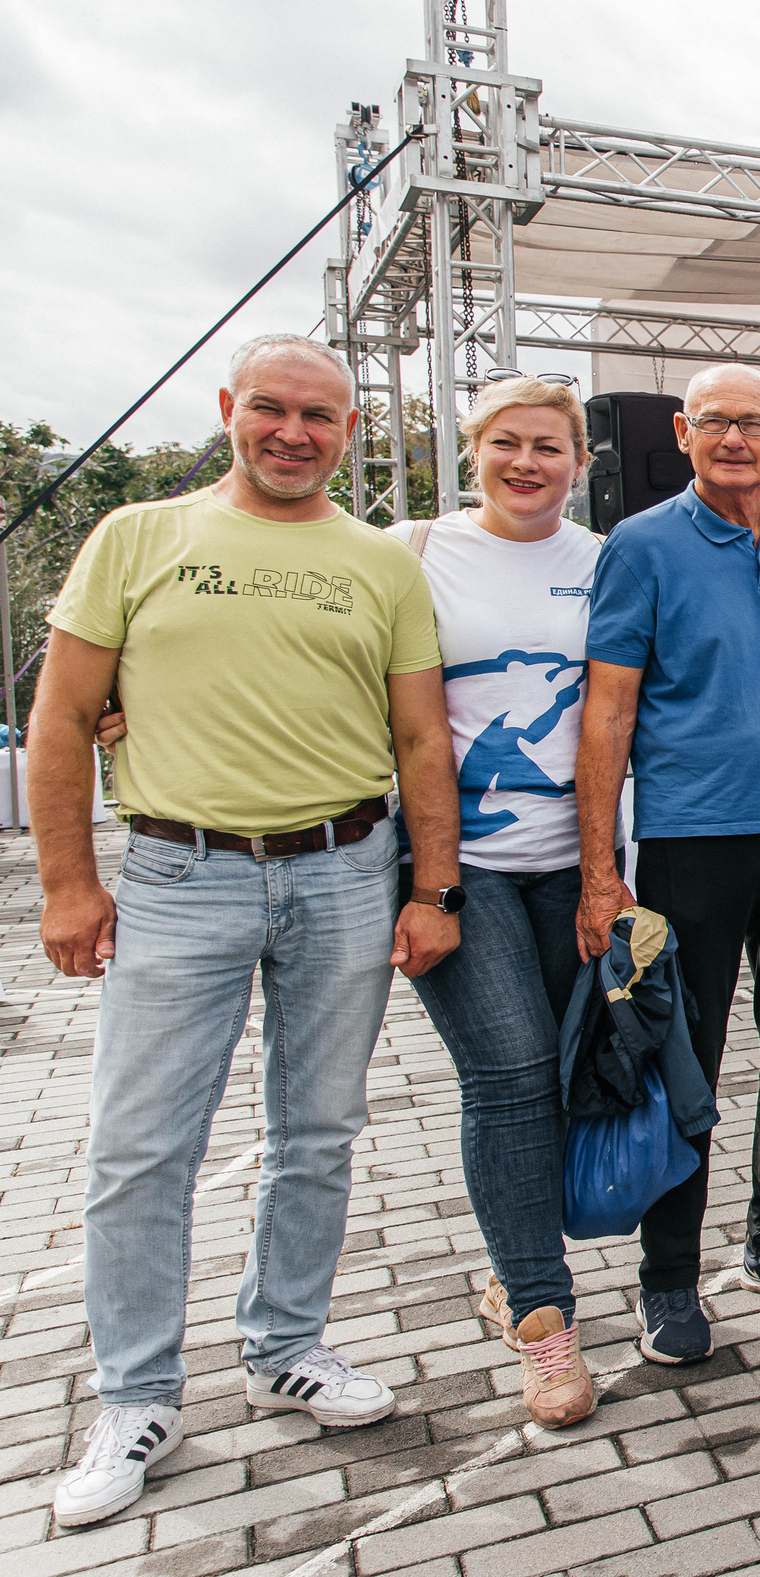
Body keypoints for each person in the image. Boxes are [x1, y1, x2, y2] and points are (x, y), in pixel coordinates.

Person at [31, 335, 459, 1529]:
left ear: (351, 433)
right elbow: (62, 717)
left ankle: (286, 1348)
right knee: (140, 1150)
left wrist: (433, 890)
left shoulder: (378, 563)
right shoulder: (137, 538)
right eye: (271, 409)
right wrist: (69, 884)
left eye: (320, 416)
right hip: (179, 873)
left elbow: (422, 738)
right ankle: (134, 1398)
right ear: (228, 410)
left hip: (346, 873)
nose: (293, 433)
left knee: (317, 1132)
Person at [577, 363, 760, 1364]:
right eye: (718, 422)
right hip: (691, 839)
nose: (737, 439)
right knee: (684, 1067)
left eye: (756, 424)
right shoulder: (640, 547)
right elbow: (606, 710)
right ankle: (668, 1280)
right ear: (685, 432)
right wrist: (600, 870)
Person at [388, 373, 601, 1428]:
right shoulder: (412, 551)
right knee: (511, 1075)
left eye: (549, 447)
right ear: (470, 450)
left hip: (581, 865)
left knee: (560, 1081)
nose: (527, 463)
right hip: (456, 868)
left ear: (578, 460)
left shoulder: (605, 562)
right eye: (506, 443)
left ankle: (512, 1263)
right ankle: (542, 1318)